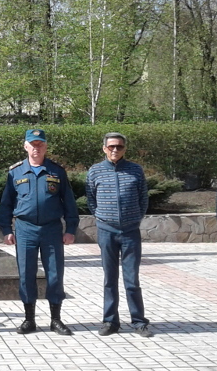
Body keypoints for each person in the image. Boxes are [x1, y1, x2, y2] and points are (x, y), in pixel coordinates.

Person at [0, 129, 79, 335]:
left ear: (45, 146)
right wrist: (6, 229)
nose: (36, 148)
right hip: (25, 229)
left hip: (51, 229)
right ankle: (29, 319)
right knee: (26, 274)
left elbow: (69, 202)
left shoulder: (57, 171)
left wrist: (70, 229)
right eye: (32, 145)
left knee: (55, 274)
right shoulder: (15, 172)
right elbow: (6, 204)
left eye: (40, 144)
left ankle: (56, 319)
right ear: (25, 146)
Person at [86, 132, 153, 338]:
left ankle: (139, 321)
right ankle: (110, 321)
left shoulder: (135, 170)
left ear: (125, 149)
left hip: (130, 231)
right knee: (110, 278)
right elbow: (91, 200)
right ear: (104, 148)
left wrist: (135, 218)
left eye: (119, 147)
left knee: (132, 279)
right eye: (111, 146)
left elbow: (143, 198)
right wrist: (102, 217)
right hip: (106, 231)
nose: (115, 150)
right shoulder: (95, 171)